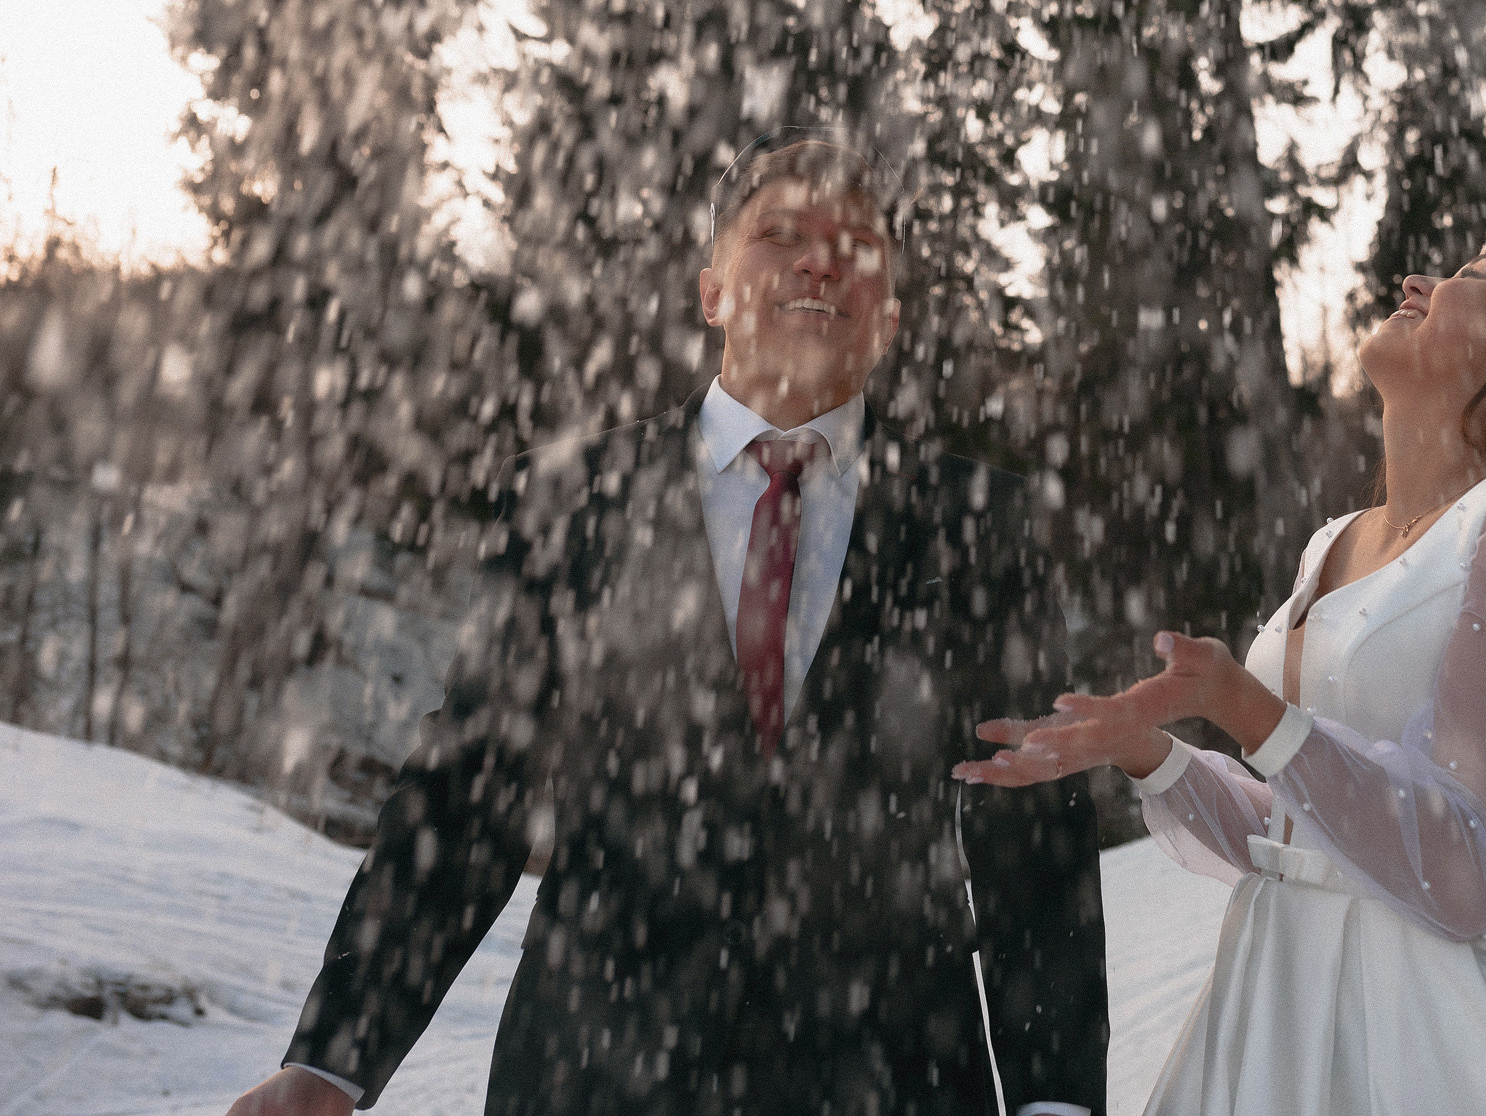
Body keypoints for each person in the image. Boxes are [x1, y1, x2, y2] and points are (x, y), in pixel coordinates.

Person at [229, 138, 1108, 1116]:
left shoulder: (984, 526)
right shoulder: (572, 501)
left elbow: (1033, 840)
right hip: (593, 1074)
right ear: (712, 291)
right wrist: (331, 1058)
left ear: (890, 315)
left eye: (856, 246)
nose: (821, 262)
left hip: (894, 1080)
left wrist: (1056, 1101)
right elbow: (470, 795)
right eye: (781, 234)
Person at [958, 219, 1486, 1115]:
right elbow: (1304, 840)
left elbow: (1464, 868)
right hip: (1275, 1012)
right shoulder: (1337, 539)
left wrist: (1249, 708)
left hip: (1429, 1040)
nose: (1419, 281)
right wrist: (1146, 749)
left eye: (1475, 274)